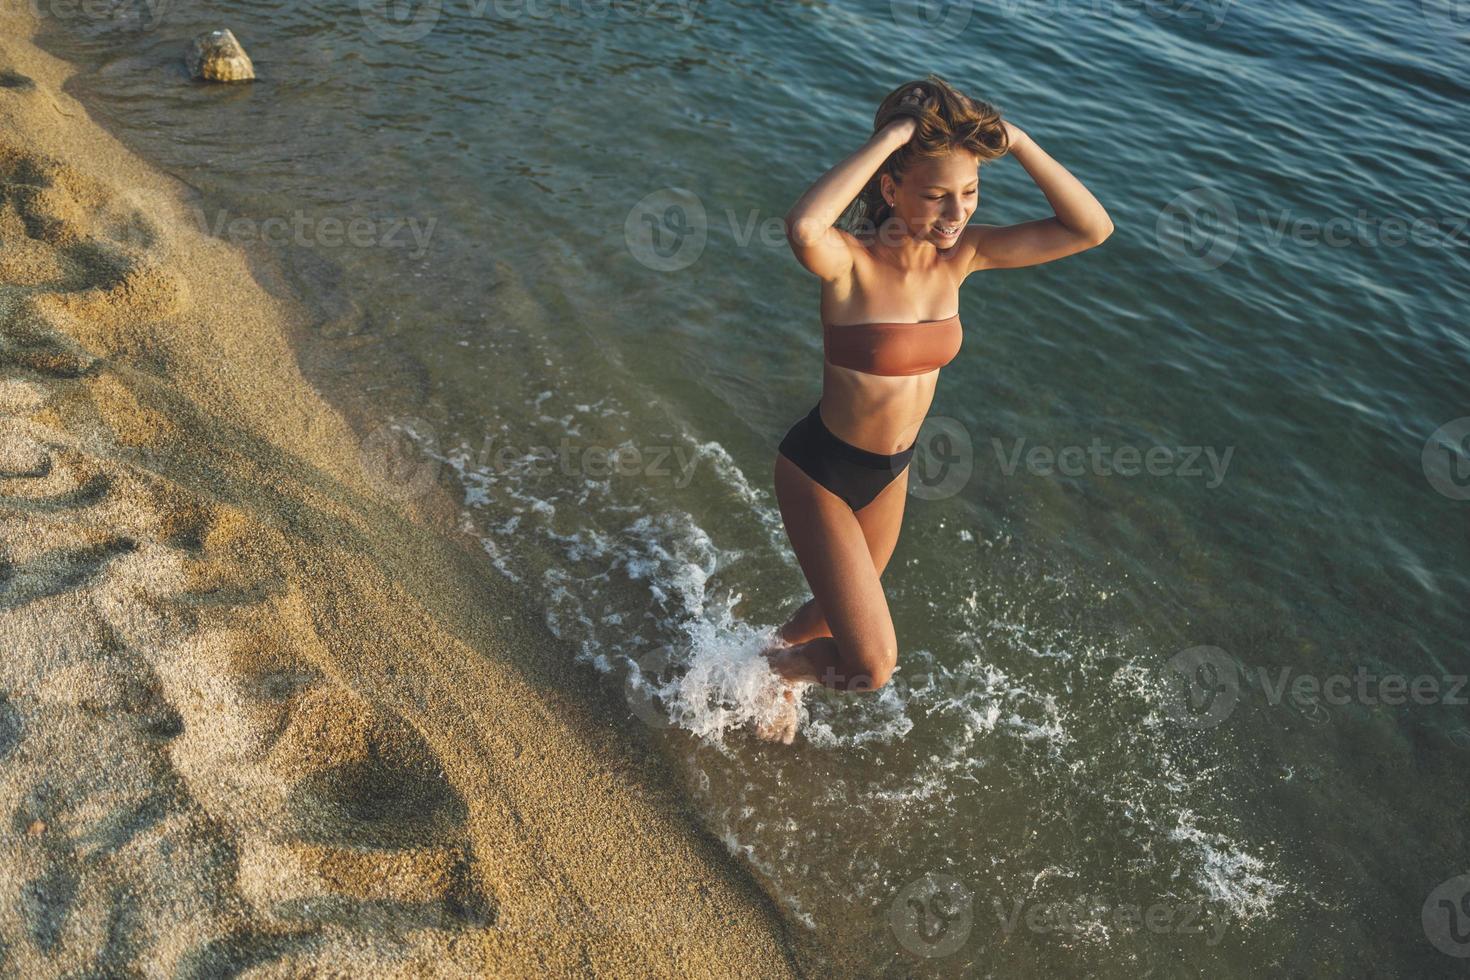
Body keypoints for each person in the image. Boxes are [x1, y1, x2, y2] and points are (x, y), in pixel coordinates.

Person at [755, 74, 1113, 743]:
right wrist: (893, 135)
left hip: (891, 473)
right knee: (871, 665)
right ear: (891, 188)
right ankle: (775, 670)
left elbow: (1091, 228)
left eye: (971, 194)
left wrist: (1021, 140)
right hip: (823, 471)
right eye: (936, 195)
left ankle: (756, 662)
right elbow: (805, 224)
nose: (956, 214)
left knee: (828, 619)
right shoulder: (850, 263)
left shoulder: (963, 259)